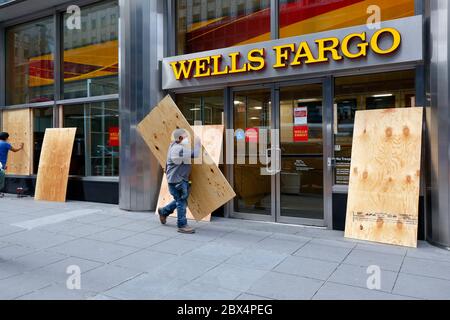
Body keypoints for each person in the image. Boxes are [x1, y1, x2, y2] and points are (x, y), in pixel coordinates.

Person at [158, 128, 201, 234]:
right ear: (180, 138)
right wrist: (199, 142)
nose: (187, 139)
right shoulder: (178, 149)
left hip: (177, 179)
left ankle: (164, 211)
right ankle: (182, 225)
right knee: (181, 202)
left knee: (180, 200)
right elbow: (195, 154)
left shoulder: (173, 146)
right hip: (178, 181)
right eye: (186, 137)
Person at [0, 132, 24, 197]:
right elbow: (14, 150)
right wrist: (20, 147)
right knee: (1, 178)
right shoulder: (6, 144)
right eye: (8, 137)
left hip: (2, 164)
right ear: (6, 138)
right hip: (1, 163)